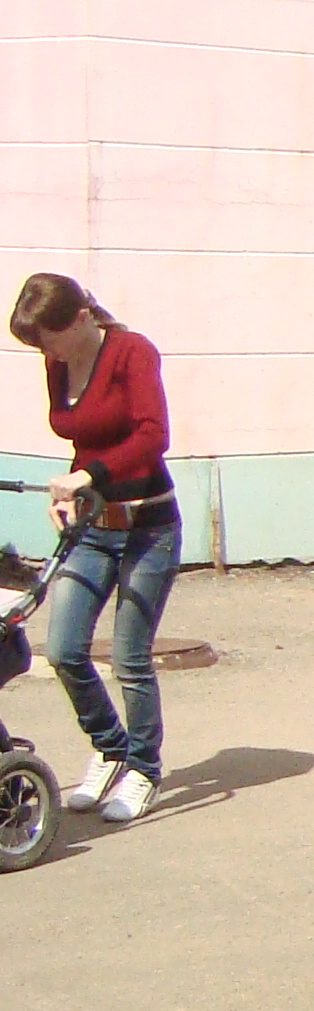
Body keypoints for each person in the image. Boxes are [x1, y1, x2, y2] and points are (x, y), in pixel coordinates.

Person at [8, 274, 177, 824]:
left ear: (81, 317)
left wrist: (88, 477)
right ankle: (111, 749)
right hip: (93, 525)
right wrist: (70, 494)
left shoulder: (132, 352)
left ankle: (144, 769)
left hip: (147, 526)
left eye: (49, 340)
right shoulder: (58, 362)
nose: (45, 353)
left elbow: (152, 436)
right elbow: (84, 436)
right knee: (63, 649)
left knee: (129, 658)